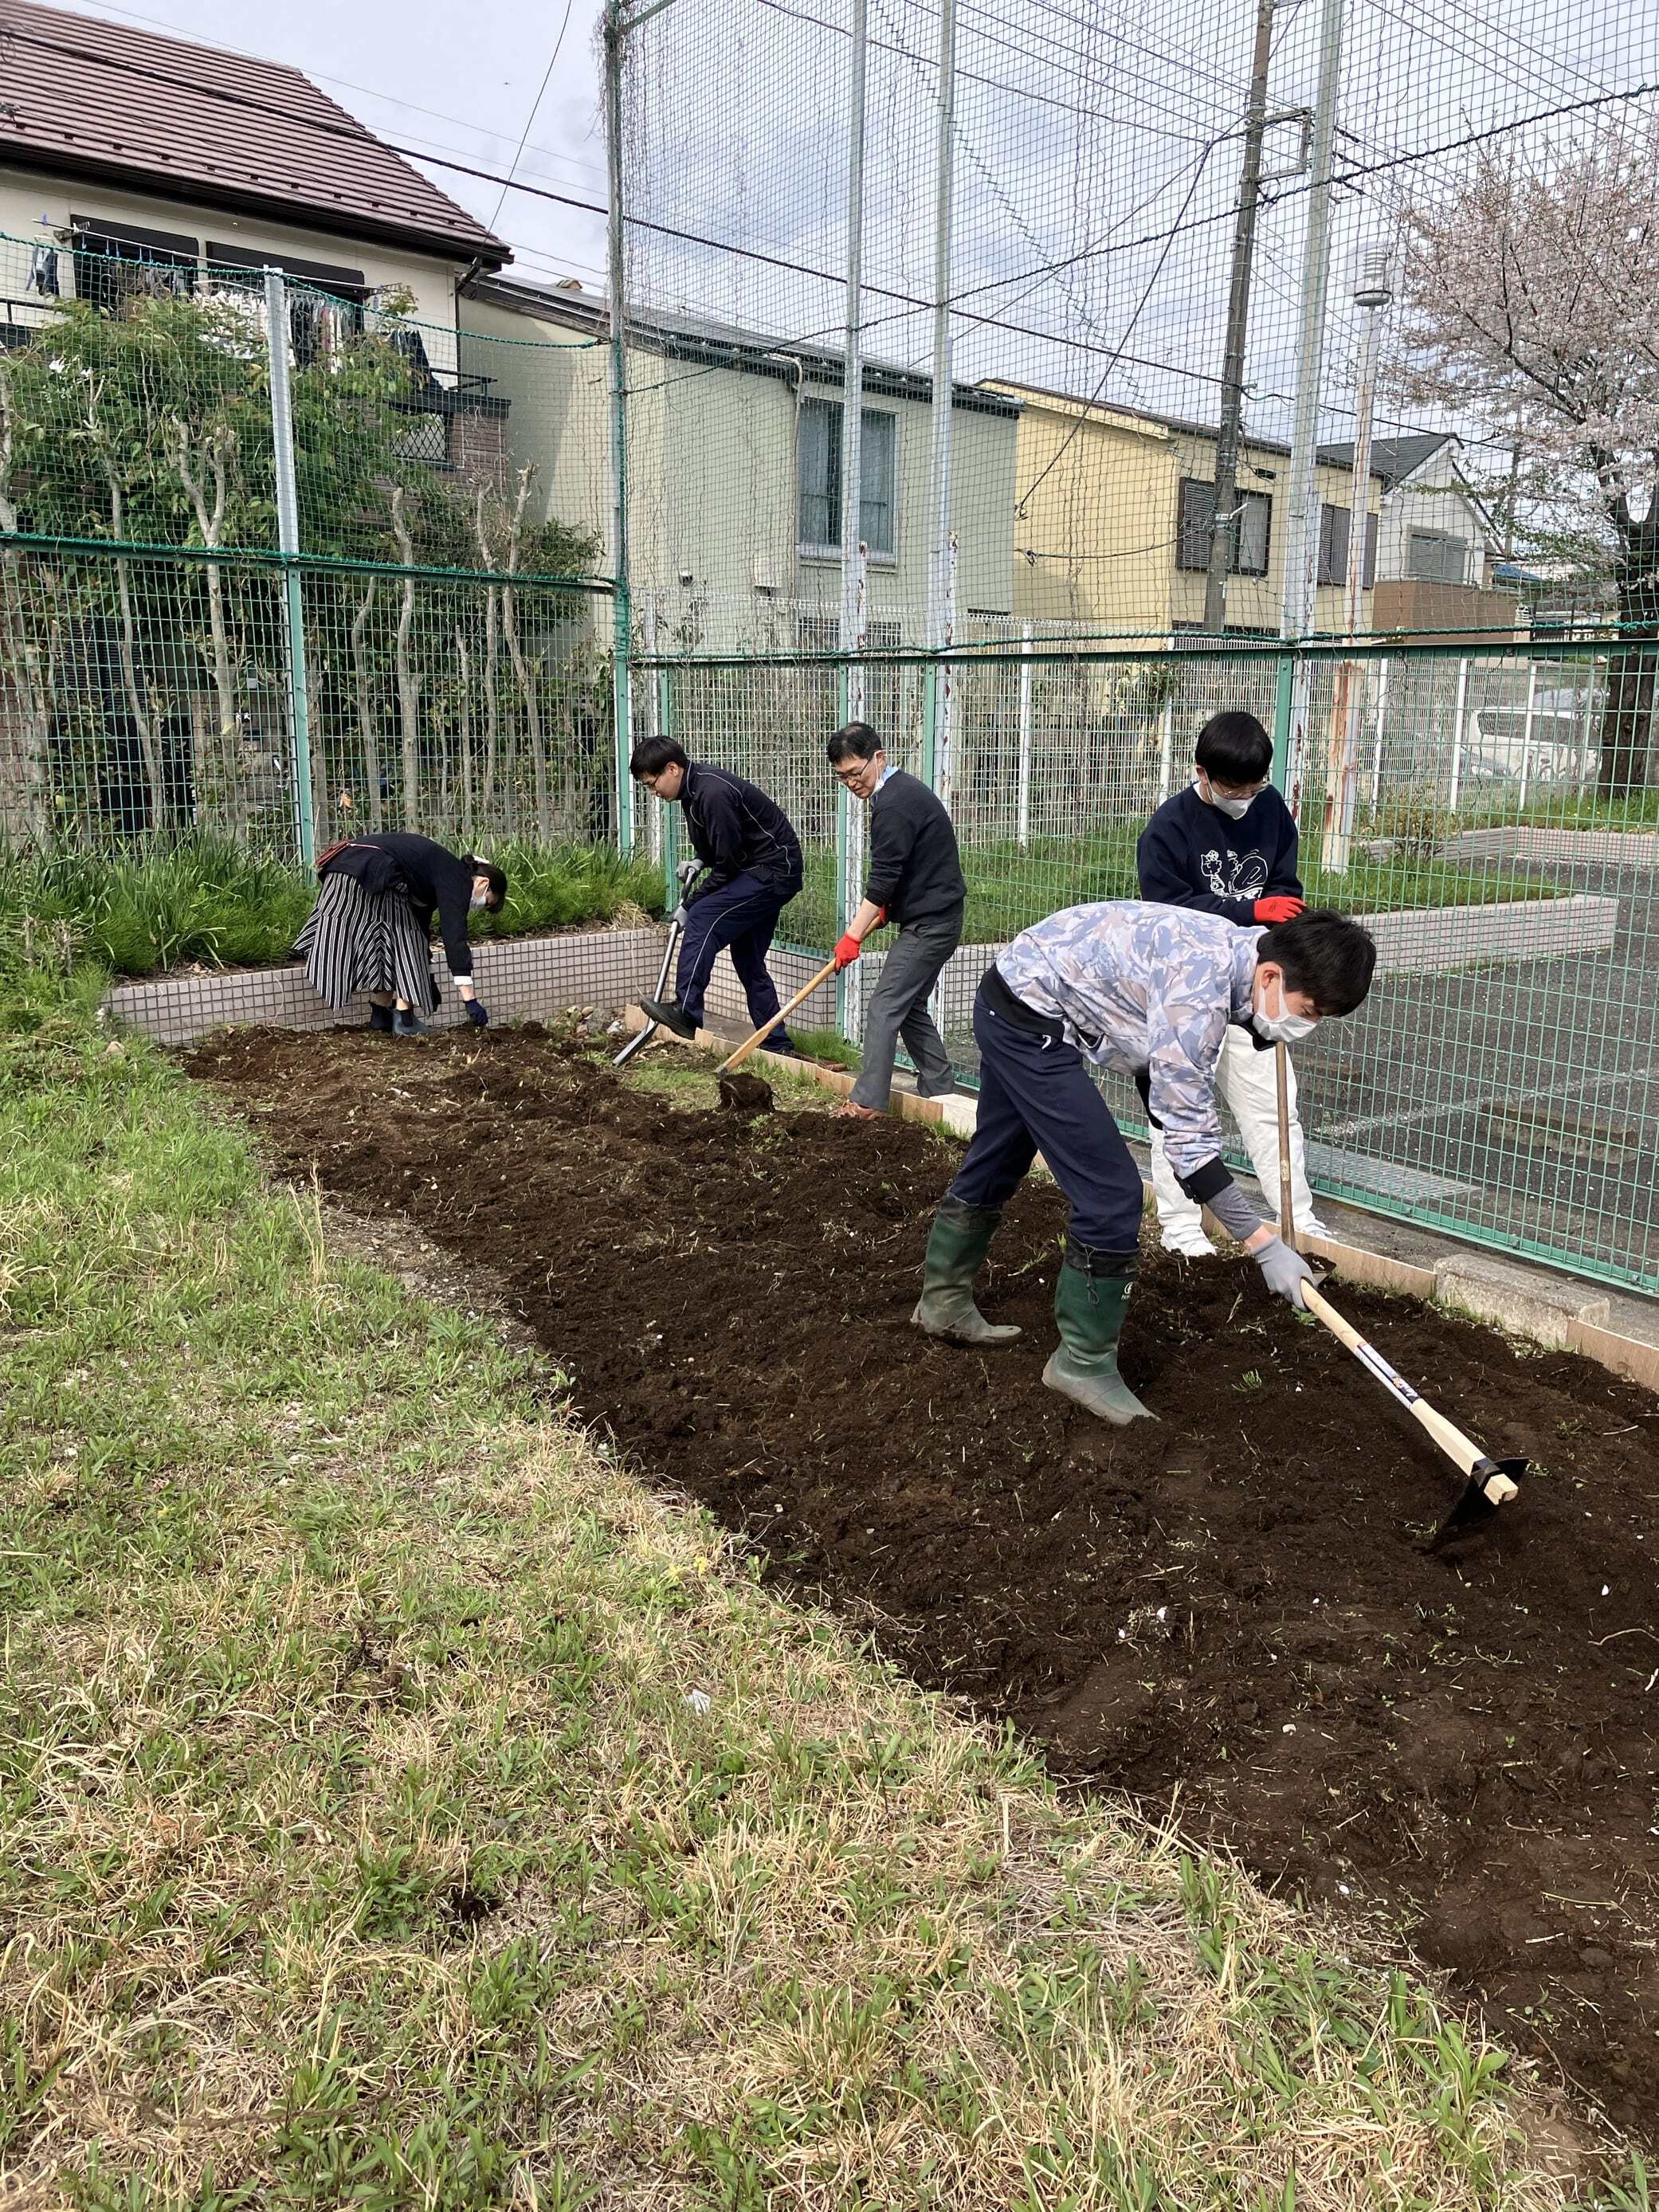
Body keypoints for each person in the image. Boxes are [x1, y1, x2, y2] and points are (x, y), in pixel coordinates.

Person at [913, 904, 1376, 1425]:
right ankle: (1082, 1364)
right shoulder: (1199, 989)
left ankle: (943, 1301)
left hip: (1019, 990)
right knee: (1111, 1195)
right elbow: (1191, 1147)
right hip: (1029, 1016)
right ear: (1272, 975)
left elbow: (1169, 1077)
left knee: (1002, 1150)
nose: (1308, 1025)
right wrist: (1263, 1245)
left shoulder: (1247, 958)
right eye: (1310, 1010)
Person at [1136, 708, 1330, 1256]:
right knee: (1178, 1109)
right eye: (1233, 787)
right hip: (1186, 993)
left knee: (1273, 1101)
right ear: (1202, 773)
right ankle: (1180, 1225)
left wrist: (1280, 915)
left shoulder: (1270, 810)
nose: (1245, 796)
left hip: (1254, 985)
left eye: (1255, 785)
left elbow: (1285, 886)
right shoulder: (1169, 828)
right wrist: (1249, 910)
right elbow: (1168, 914)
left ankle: (1299, 1220)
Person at [825, 721, 967, 1123]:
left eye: (857, 772)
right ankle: (941, 1092)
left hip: (932, 924)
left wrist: (852, 937)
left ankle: (868, 1102)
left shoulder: (893, 804)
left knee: (885, 1005)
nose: (852, 782)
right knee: (908, 1005)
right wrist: (892, 906)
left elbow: (883, 878)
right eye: (843, 777)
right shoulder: (897, 793)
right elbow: (910, 864)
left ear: (879, 758)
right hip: (933, 913)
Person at [630, 735, 805, 1050]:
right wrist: (699, 860)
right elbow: (719, 847)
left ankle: (686, 1011)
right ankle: (777, 1043)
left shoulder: (711, 793)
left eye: (652, 783)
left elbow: (729, 865)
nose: (653, 792)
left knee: (701, 919)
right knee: (748, 958)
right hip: (759, 868)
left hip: (773, 870)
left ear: (672, 769)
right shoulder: (692, 792)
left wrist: (692, 903)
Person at [296, 832, 506, 1037]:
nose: (480, 906)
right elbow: (455, 935)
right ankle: (404, 1018)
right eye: (487, 901)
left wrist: (426, 971)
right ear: (483, 883)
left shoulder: (433, 876)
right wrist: (469, 1000)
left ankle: (380, 1014)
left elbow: (421, 928)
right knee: (408, 942)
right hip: (372, 870)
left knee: (388, 939)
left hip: (343, 871)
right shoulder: (458, 878)